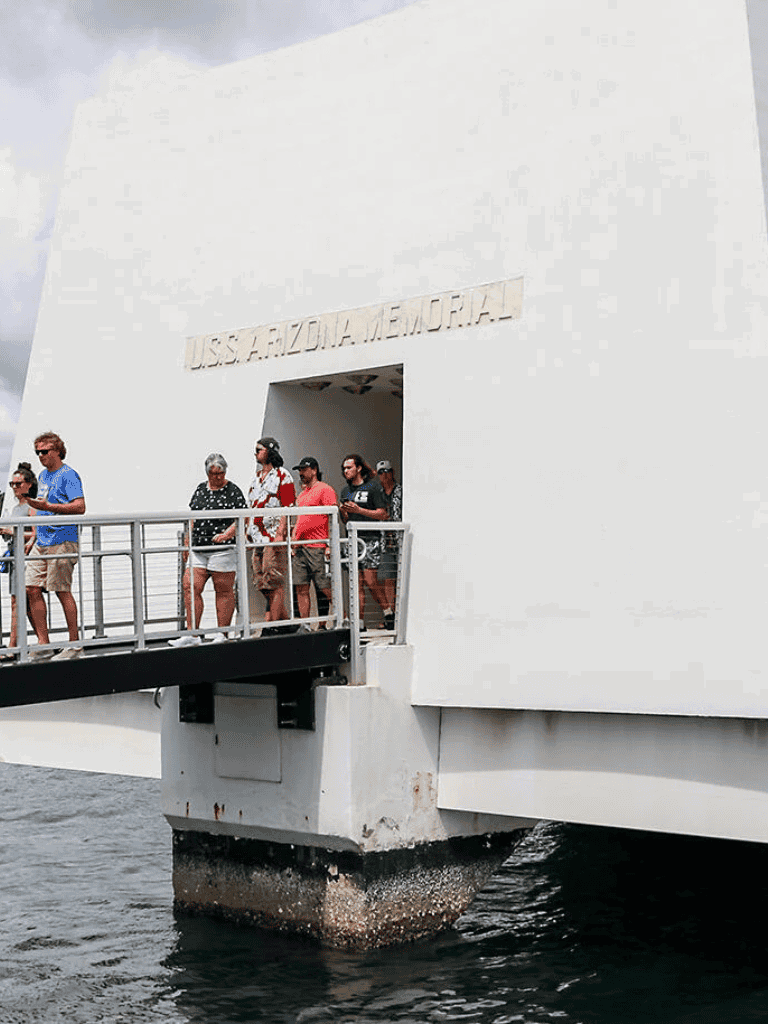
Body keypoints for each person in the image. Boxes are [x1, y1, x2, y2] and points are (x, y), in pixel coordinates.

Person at [170, 454, 247, 647]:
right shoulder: (200, 489)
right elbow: (193, 515)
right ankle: (193, 634)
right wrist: (187, 539)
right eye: (214, 474)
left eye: (221, 473)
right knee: (190, 586)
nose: (218, 477)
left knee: (223, 589)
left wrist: (226, 535)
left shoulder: (233, 490)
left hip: (222, 549)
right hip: (199, 547)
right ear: (208, 473)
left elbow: (242, 518)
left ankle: (222, 633)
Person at [24, 432, 85, 661]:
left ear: (57, 451)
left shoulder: (68, 475)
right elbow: (42, 506)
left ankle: (75, 644)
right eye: (37, 452)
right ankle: (44, 643)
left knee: (62, 590)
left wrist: (50, 506)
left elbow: (80, 507)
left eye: (45, 451)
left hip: (62, 540)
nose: (41, 456)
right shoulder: (42, 476)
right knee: (31, 587)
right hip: (42, 540)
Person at [248, 437, 296, 628]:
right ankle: (286, 622)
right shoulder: (256, 477)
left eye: (259, 449)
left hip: (272, 536)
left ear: (270, 451)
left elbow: (288, 505)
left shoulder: (283, 475)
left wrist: (280, 533)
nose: (256, 452)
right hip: (256, 538)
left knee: (275, 580)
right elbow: (250, 505)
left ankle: (273, 625)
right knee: (261, 581)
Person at [339, 453, 391, 626]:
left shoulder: (373, 487)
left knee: (370, 580)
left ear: (358, 468)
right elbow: (347, 520)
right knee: (356, 583)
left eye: (349, 467)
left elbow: (383, 514)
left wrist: (359, 510)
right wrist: (345, 511)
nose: (346, 471)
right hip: (353, 540)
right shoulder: (345, 491)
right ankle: (359, 623)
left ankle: (388, 612)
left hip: (369, 538)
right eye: (344, 468)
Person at [291, 457, 337, 627]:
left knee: (324, 587)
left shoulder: (325, 489)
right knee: (301, 587)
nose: (301, 473)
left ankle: (344, 618)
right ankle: (306, 625)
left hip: (318, 545)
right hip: (301, 547)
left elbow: (333, 517)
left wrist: (329, 544)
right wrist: (294, 540)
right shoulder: (302, 495)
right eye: (300, 470)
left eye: (304, 469)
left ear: (314, 470)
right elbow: (300, 519)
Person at [0, 463, 38, 661]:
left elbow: (36, 532)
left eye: (18, 483)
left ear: (28, 485)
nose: (14, 487)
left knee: (20, 602)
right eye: (12, 484)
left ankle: (12, 646)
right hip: (15, 557)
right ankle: (40, 641)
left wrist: (12, 531)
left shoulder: (32, 506)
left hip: (26, 559)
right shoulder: (15, 508)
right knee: (21, 602)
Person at [375, 459, 402, 630]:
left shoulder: (402, 491)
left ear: (392, 472)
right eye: (381, 473)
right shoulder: (378, 493)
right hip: (385, 541)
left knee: (401, 578)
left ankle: (401, 616)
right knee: (387, 579)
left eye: (387, 471)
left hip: (400, 539)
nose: (385, 475)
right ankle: (391, 617)